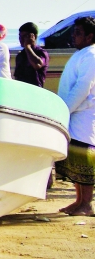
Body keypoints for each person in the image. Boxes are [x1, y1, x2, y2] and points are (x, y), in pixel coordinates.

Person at [56, 16, 95, 216]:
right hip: (75, 113)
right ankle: (79, 201)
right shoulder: (81, 54)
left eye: (78, 33)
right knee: (75, 158)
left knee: (84, 156)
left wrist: (64, 109)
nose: (74, 36)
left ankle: (87, 204)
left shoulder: (91, 55)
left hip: (85, 114)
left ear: (90, 36)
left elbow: (83, 88)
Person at [14, 22, 49, 88]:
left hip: (35, 91)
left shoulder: (41, 52)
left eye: (24, 36)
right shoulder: (20, 55)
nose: (21, 39)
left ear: (34, 36)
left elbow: (37, 65)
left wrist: (27, 46)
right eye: (20, 36)